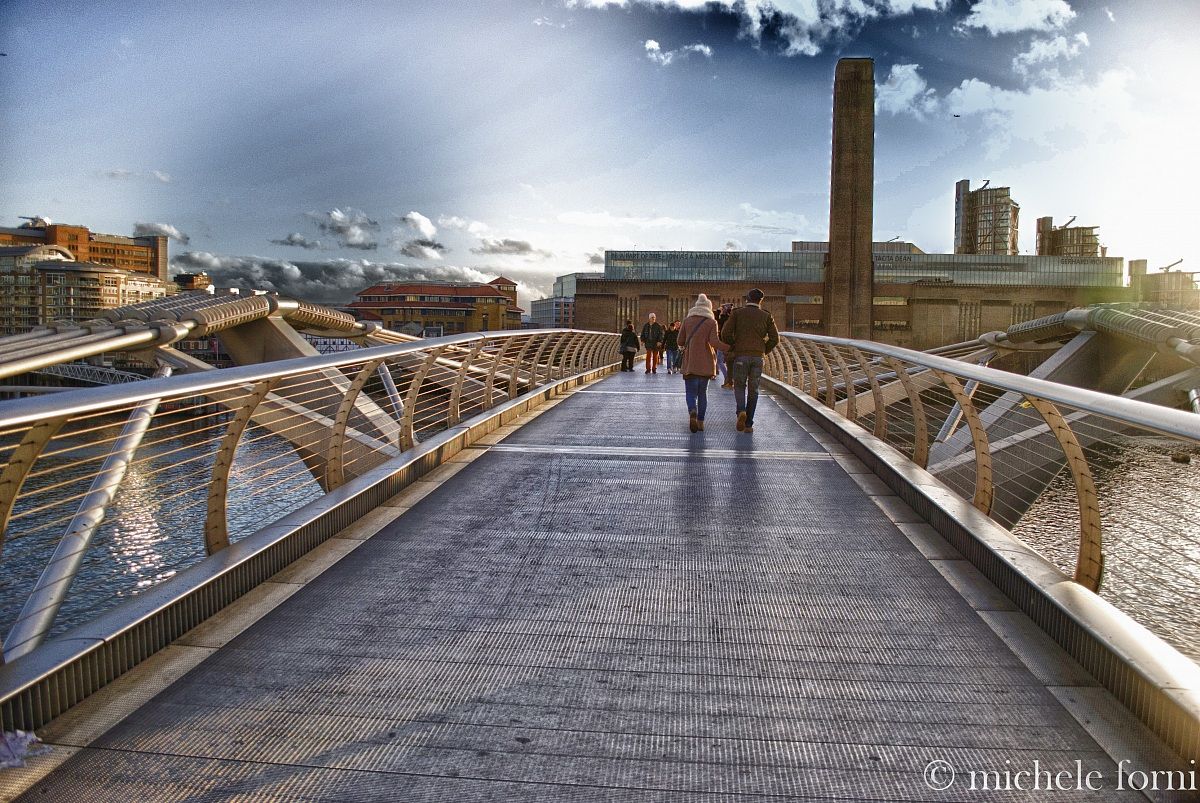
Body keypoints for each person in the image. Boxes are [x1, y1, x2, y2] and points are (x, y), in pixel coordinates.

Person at [719, 288, 778, 434]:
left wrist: (734, 345)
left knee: (739, 385)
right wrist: (763, 350)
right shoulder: (766, 316)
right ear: (760, 301)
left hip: (740, 355)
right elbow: (775, 339)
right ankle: (748, 424)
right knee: (754, 390)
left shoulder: (737, 313)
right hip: (758, 357)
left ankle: (741, 411)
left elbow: (724, 333)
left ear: (747, 299)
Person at [678, 294, 729, 433]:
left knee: (690, 392)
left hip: (690, 363)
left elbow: (680, 341)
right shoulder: (712, 322)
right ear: (709, 308)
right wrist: (730, 348)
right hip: (706, 364)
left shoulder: (687, 321)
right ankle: (700, 422)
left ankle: (692, 411)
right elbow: (714, 342)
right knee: (702, 394)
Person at [715, 303, 734, 388]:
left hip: (722, 342)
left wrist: (719, 311)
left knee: (720, 361)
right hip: (731, 343)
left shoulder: (723, 319)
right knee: (730, 362)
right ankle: (730, 379)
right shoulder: (732, 319)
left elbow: (715, 320)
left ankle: (728, 378)